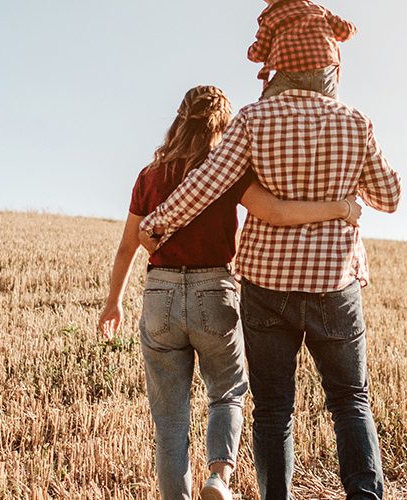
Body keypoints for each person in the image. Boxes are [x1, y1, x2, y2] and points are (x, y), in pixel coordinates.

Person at [97, 85, 362, 500]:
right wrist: (339, 208)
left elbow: (128, 245)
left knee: (169, 422)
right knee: (228, 393)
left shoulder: (150, 176)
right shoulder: (227, 171)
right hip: (214, 291)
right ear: (224, 127)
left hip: (160, 294)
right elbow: (275, 212)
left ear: (180, 119)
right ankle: (219, 477)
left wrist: (113, 302)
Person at [248, 0, 356, 99]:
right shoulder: (318, 9)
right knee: (330, 105)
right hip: (324, 74)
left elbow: (259, 53)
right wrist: (351, 27)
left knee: (266, 103)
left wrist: (250, 52)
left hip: (289, 74)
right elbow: (346, 31)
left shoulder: (270, 17)